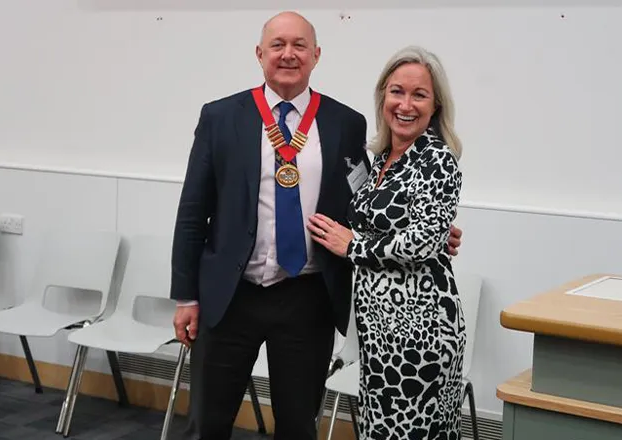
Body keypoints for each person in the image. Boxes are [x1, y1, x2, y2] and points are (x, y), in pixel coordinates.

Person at [170, 12, 463, 440]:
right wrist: (186, 295)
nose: (289, 54)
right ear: (260, 54)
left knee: (297, 426)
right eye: (278, 45)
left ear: (316, 55)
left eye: (300, 46)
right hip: (229, 297)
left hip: (307, 300)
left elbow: (362, 206)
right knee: (206, 425)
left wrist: (435, 236)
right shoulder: (221, 117)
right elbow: (193, 210)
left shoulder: (345, 124)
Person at [307, 45, 466, 439]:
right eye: (397, 92)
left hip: (420, 333)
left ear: (436, 106)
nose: (405, 104)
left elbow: (420, 243)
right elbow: (406, 228)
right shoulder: (378, 159)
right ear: (383, 97)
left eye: (419, 95)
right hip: (378, 331)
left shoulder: (438, 160)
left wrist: (353, 246)